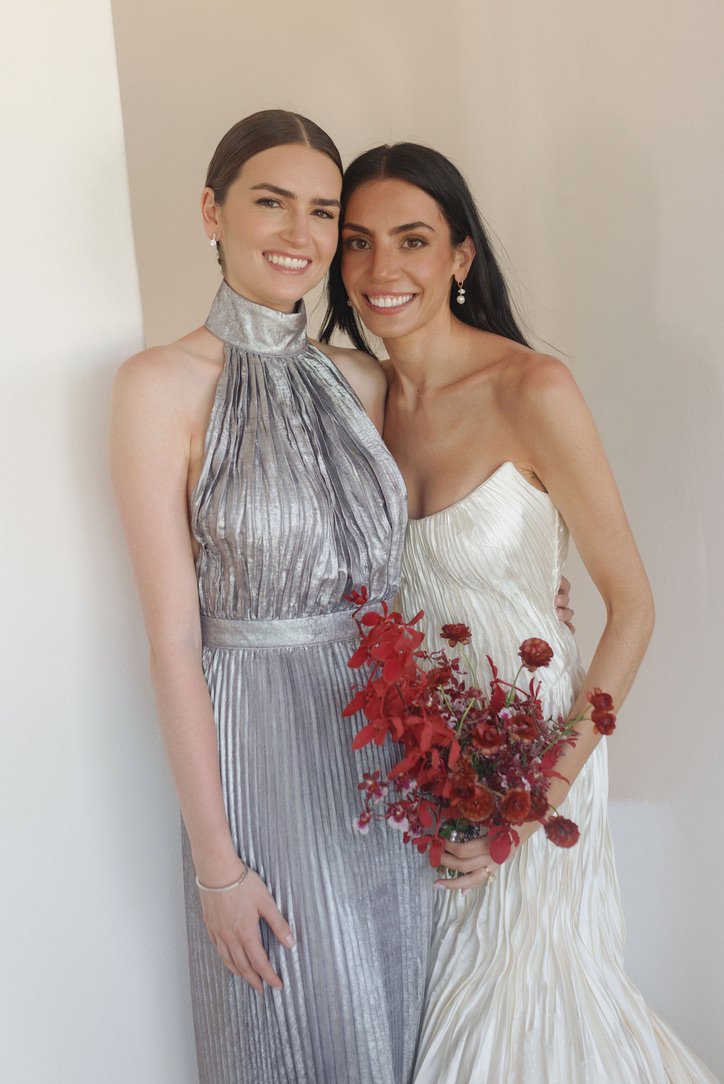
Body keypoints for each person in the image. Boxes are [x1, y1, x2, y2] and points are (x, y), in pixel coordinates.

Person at [321, 143, 719, 1083]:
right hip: (412, 765)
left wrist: (535, 800)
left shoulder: (532, 388)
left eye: (412, 240)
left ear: (460, 255)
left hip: (532, 758)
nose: (382, 268)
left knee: (525, 1014)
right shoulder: (354, 398)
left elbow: (634, 608)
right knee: (438, 1013)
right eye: (358, 242)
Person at [109, 111, 436, 1084]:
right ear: (212, 211)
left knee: (408, 1019)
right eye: (271, 202)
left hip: (387, 753)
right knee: (294, 1032)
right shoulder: (157, 386)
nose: (301, 232)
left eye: (323, 212)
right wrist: (216, 864)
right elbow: (173, 642)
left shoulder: (364, 378)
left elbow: (418, 560)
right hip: (261, 755)